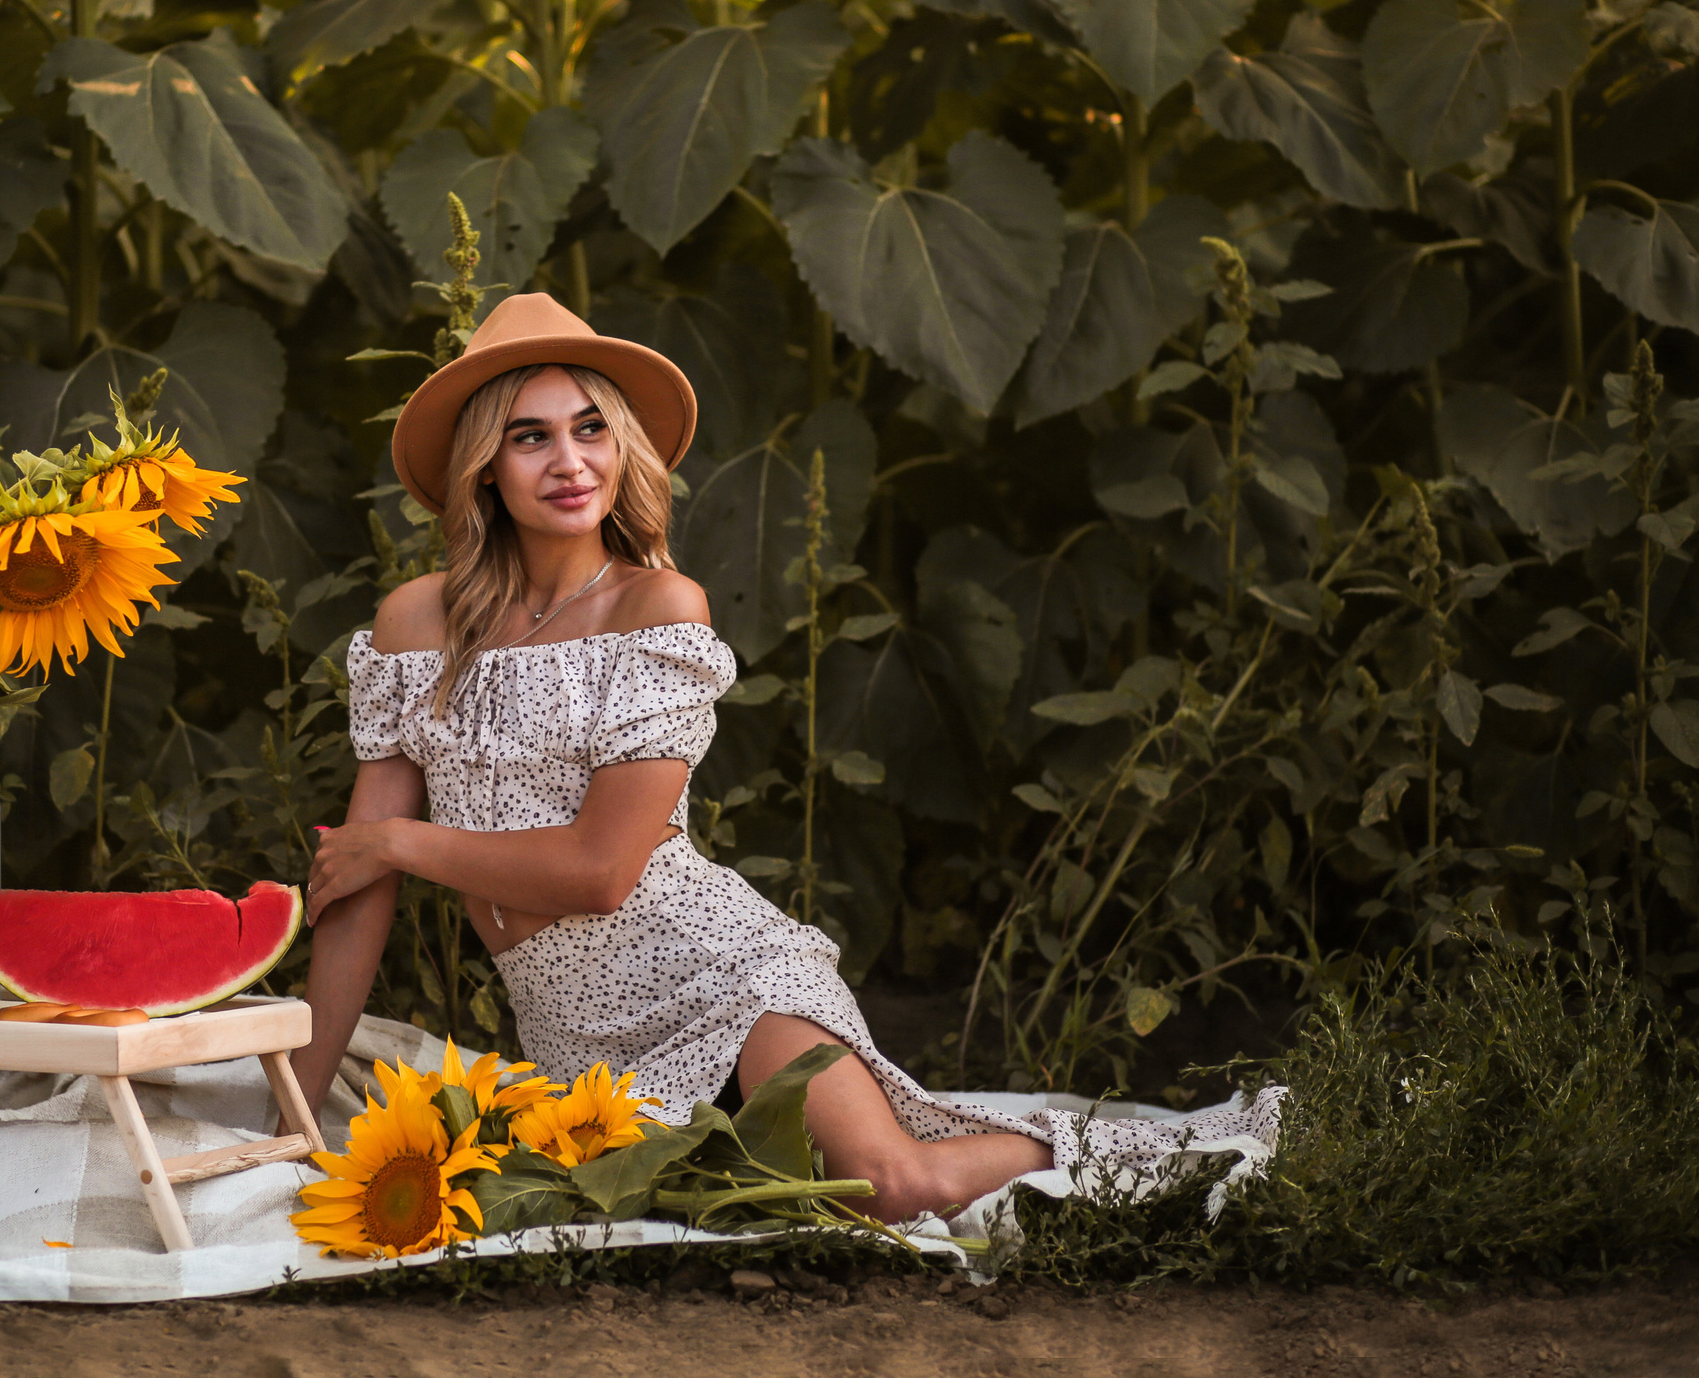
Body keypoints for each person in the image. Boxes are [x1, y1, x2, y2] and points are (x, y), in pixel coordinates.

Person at [288, 293, 1280, 1222]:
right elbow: (355, 874)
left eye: (590, 427)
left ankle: (1172, 1162)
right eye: (529, 435)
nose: (569, 459)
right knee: (761, 1202)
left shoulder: (656, 610)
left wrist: (405, 844)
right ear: (483, 466)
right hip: (573, 1040)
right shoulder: (416, 624)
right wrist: (288, 1115)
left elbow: (598, 871)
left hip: (715, 970)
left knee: (892, 1183)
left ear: (622, 446)